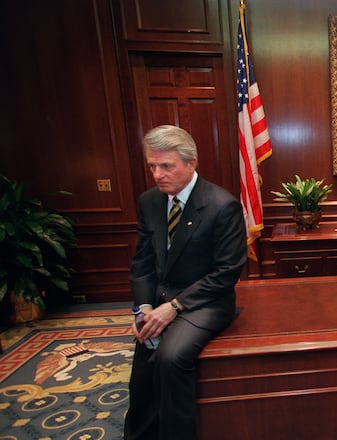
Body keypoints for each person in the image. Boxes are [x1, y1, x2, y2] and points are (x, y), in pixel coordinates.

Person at [124, 125, 247, 440]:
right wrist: (145, 307)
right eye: (152, 166)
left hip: (205, 302)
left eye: (167, 166)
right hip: (159, 301)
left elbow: (226, 272)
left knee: (170, 357)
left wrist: (174, 307)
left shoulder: (222, 205)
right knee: (143, 366)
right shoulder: (149, 202)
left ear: (191, 163)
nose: (157, 174)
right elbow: (142, 262)